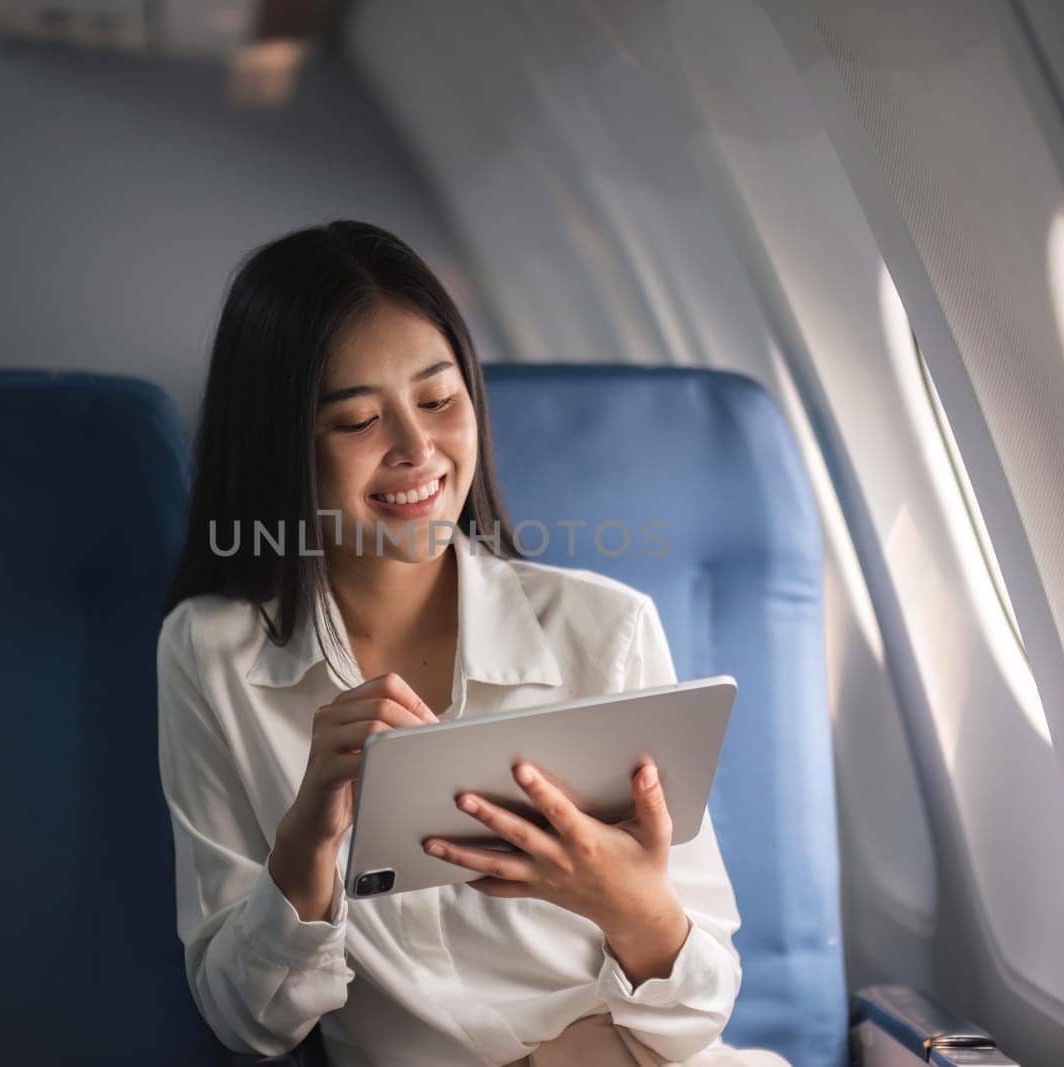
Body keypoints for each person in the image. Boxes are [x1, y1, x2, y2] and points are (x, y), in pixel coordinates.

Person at [157, 220, 788, 1066]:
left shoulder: (607, 630)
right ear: (283, 444)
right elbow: (248, 1022)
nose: (418, 449)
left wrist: (626, 904)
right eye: (356, 421)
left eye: (439, 399)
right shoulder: (211, 653)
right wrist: (306, 840)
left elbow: (702, 1008)